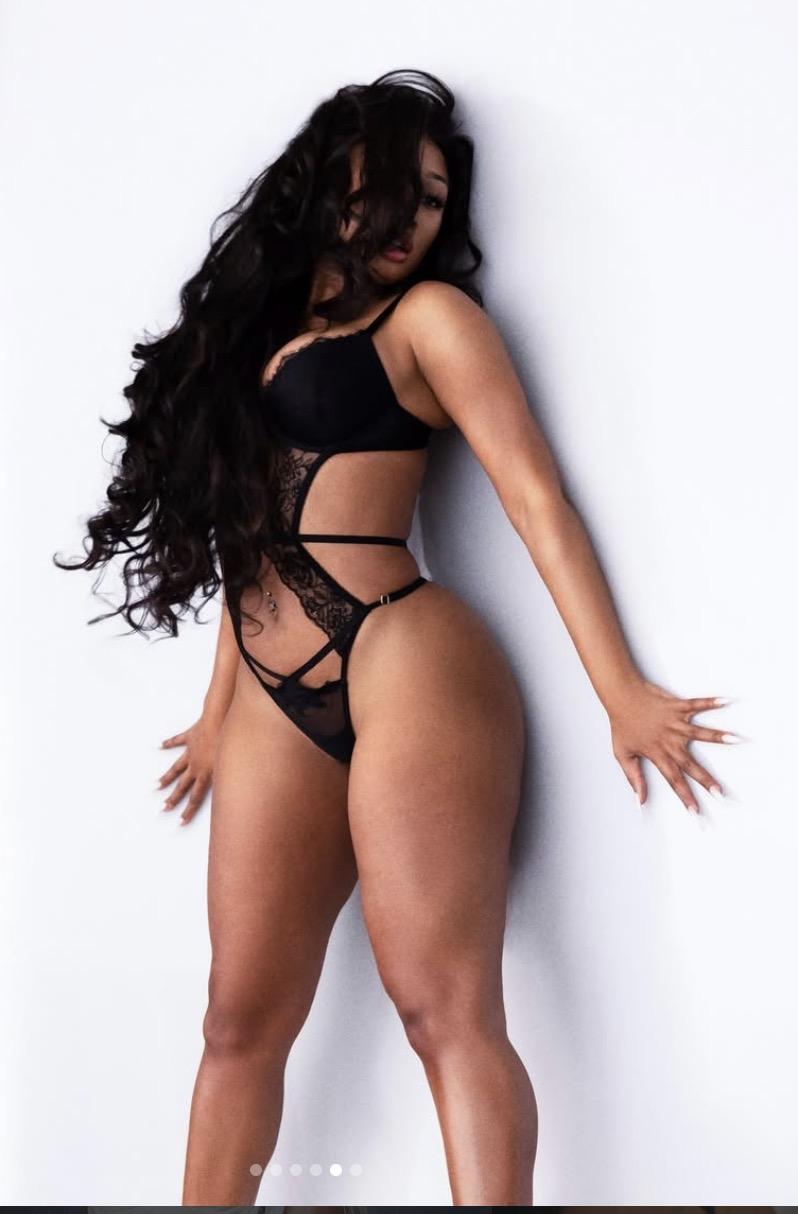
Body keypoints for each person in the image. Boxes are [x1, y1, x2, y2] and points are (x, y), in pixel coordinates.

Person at [55, 68, 737, 1207]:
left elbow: (535, 499)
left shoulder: (429, 322)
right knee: (235, 1020)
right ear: (329, 185)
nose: (409, 220)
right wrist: (219, 710)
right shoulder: (261, 333)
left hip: (403, 652)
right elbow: (248, 536)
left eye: (431, 200)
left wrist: (620, 689)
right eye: (389, 190)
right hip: (272, 682)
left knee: (441, 1007)